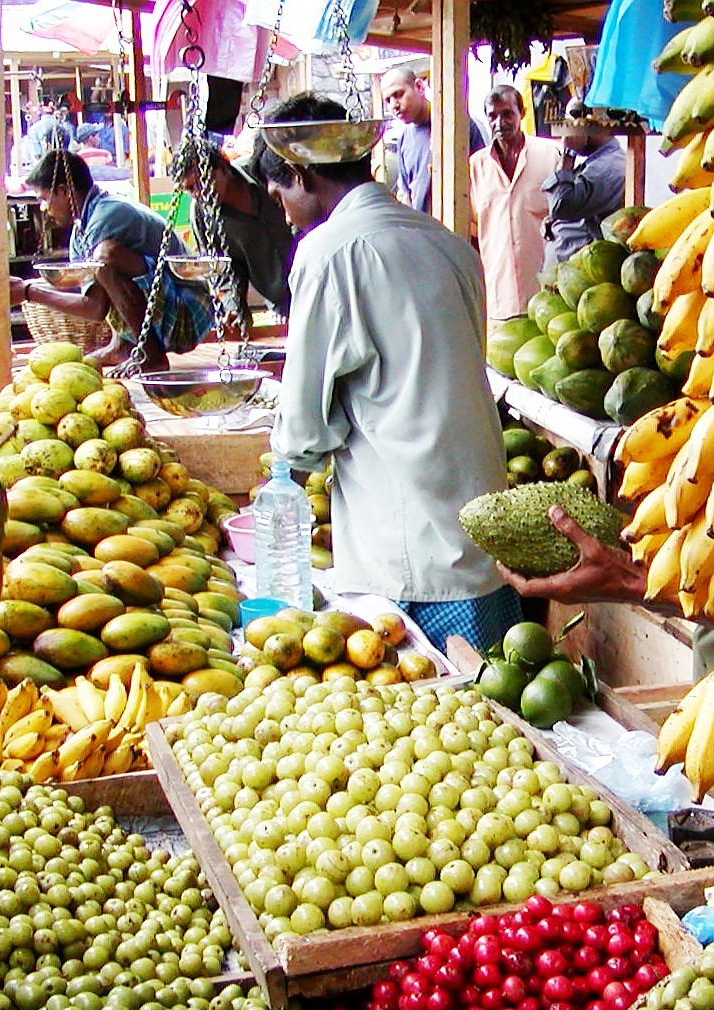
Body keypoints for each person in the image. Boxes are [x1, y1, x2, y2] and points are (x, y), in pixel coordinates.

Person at [255, 93, 521, 652]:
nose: (283, 211)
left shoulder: (329, 251)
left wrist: (281, 486)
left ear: (300, 174)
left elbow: (305, 426)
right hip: (479, 536)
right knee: (485, 716)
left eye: (280, 193)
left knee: (423, 722)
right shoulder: (445, 242)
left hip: (406, 559)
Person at [0, 150, 213, 371]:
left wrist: (28, 292)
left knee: (104, 259)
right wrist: (22, 287)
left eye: (43, 198)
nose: (43, 208)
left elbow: (95, 308)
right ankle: (124, 345)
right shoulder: (82, 228)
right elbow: (84, 289)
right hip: (169, 308)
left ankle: (152, 355)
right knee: (99, 265)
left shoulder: (107, 216)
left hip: (190, 312)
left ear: (64, 191)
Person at [469, 85, 563, 322]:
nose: (500, 122)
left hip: (547, 290)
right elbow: (473, 229)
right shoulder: (475, 167)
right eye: (492, 115)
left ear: (522, 112)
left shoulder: (551, 155)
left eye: (507, 114)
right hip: (498, 298)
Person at [172, 137, 294, 318]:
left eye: (204, 182)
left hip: (321, 284)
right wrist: (235, 308)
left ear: (223, 166)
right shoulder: (202, 217)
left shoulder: (261, 171)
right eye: (190, 189)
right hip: (283, 305)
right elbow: (224, 272)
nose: (199, 193)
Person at [380, 65, 486, 215]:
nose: (394, 105)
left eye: (398, 94)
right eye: (388, 100)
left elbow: (483, 180)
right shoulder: (403, 139)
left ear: (419, 86)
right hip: (423, 232)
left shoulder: (457, 125)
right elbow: (407, 194)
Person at [542, 98, 627, 268]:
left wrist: (567, 153)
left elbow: (561, 205)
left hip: (583, 279)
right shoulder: (595, 162)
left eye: (574, 118)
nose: (569, 128)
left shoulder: (607, 168)